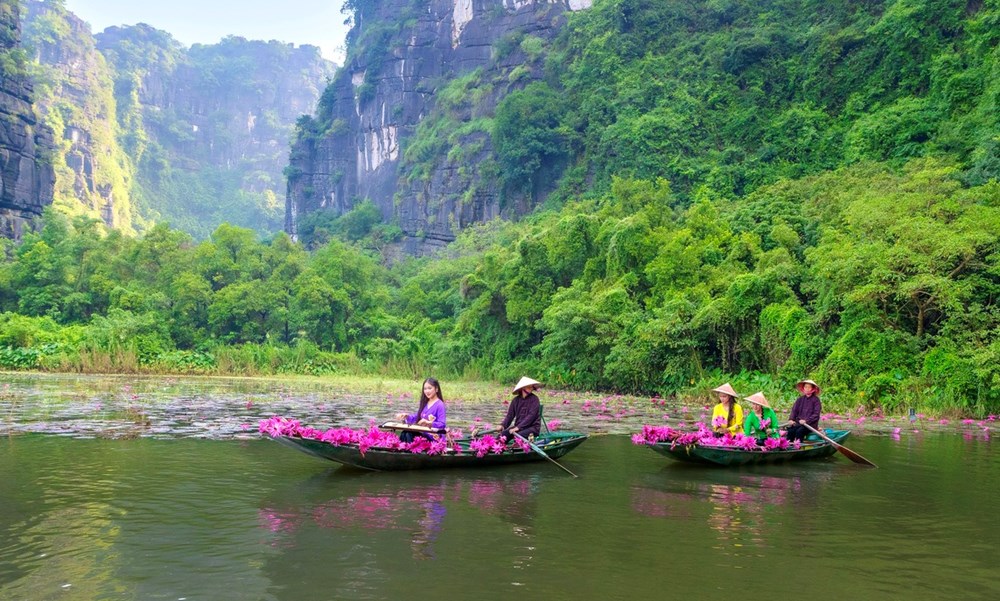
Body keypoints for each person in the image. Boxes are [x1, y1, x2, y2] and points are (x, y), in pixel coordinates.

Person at [396, 378, 447, 443]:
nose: (427, 391)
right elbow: (417, 417)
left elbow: (442, 424)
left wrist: (429, 423)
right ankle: (402, 449)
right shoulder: (425, 403)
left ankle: (410, 451)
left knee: (409, 434)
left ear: (436, 389)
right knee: (405, 433)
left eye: (429, 388)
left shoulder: (440, 404)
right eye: (425, 389)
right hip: (423, 433)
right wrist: (407, 416)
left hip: (433, 437)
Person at [499, 377, 543, 441]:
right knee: (502, 435)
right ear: (523, 388)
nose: (531, 388)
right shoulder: (515, 401)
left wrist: (518, 427)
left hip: (532, 428)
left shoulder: (535, 400)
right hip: (519, 427)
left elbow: (531, 416)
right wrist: (502, 425)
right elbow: (509, 416)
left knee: (518, 437)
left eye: (532, 387)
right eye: (529, 386)